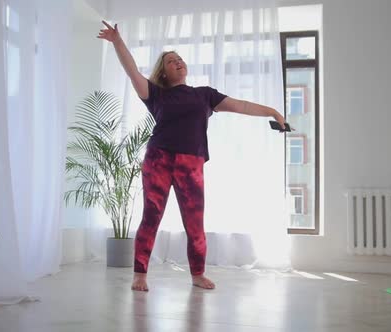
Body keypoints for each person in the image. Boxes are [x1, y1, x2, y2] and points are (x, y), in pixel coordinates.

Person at [97, 21, 286, 292]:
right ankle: (140, 274)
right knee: (151, 217)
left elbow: (241, 105)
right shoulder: (155, 95)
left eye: (180, 59)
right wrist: (117, 41)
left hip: (191, 163)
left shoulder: (204, 95)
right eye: (171, 61)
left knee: (194, 221)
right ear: (163, 72)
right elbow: (132, 71)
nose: (178, 62)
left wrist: (273, 112)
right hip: (158, 160)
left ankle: (197, 274)